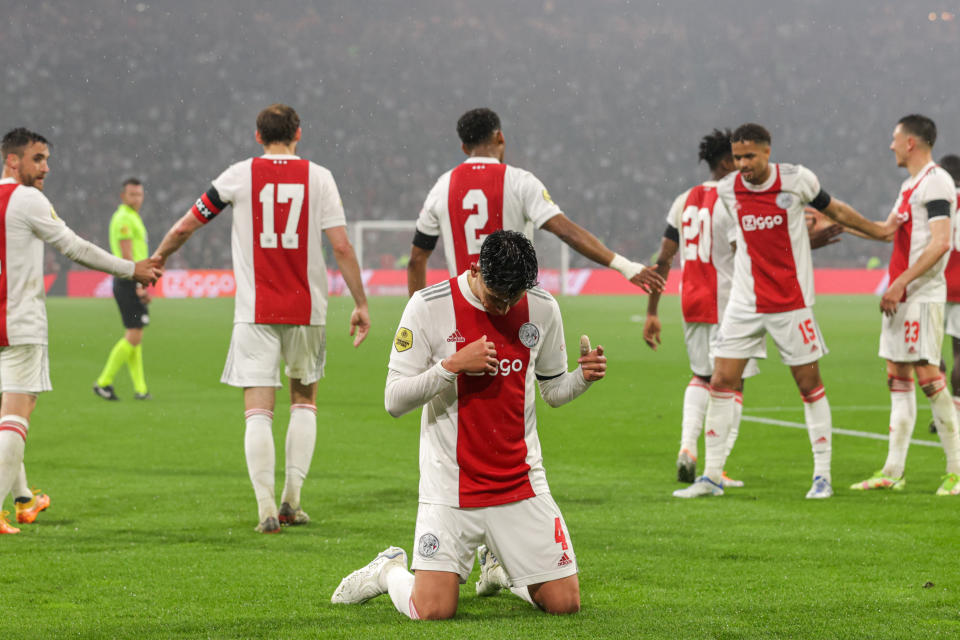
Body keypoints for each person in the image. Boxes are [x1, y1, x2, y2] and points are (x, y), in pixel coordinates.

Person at [331, 230, 605, 619]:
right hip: (450, 486)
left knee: (565, 604)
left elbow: (553, 391)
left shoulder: (542, 308)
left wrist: (581, 379)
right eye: (497, 298)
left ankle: (497, 567)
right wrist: (451, 366)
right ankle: (388, 569)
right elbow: (394, 401)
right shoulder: (428, 306)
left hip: (519, 483)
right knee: (432, 611)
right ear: (475, 269)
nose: (505, 308)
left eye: (515, 298)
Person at [151, 104, 371, 533]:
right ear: (298, 134)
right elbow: (342, 247)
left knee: (258, 411)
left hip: (255, 312)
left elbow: (184, 227)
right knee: (304, 401)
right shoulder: (318, 176)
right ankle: (293, 500)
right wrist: (360, 303)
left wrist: (158, 258)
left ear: (257, 136)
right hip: (307, 310)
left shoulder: (239, 174)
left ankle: (266, 508)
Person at [673, 123, 897, 500]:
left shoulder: (797, 180)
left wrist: (878, 232)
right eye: (737, 157)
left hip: (790, 303)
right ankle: (710, 476)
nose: (742, 164)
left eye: (749, 156)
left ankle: (822, 476)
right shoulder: (727, 191)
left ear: (767, 151)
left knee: (809, 387)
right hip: (743, 304)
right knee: (721, 382)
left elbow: (835, 209)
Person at [646, 131, 844, 486]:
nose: (742, 166)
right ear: (728, 162)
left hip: (690, 298)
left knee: (703, 376)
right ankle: (715, 469)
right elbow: (752, 252)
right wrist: (805, 241)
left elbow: (663, 257)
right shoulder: (733, 199)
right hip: (733, 299)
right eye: (738, 159)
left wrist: (652, 310)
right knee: (731, 383)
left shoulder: (684, 199)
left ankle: (689, 447)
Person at [0, 127, 159, 534]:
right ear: (13, 160)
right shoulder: (27, 199)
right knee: (18, 415)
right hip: (19, 323)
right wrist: (132, 269)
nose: (46, 167)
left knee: (7, 418)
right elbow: (73, 246)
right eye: (38, 159)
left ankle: (23, 500)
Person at [406, 107, 664, 296]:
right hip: (514, 302)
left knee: (462, 370)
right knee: (524, 371)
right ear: (500, 138)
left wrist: (415, 316)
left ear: (464, 148)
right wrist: (625, 266)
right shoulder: (520, 181)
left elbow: (417, 259)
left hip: (465, 303)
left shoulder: (442, 187)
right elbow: (565, 230)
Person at [851, 116, 960, 496]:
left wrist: (900, 282)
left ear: (911, 142)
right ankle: (893, 471)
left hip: (921, 295)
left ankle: (956, 471)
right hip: (903, 297)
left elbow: (941, 242)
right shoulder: (909, 186)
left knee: (929, 377)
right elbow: (885, 230)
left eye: (895, 138)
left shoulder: (936, 182)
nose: (890, 145)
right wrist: (834, 221)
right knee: (898, 376)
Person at [94, 177, 152, 400]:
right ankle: (103, 382)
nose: (137, 198)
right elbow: (128, 255)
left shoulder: (132, 217)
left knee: (135, 334)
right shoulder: (123, 219)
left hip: (130, 279)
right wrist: (139, 285)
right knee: (134, 334)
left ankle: (141, 389)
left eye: (139, 194)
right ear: (123, 196)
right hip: (128, 280)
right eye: (132, 194)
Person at [937, 155, 960, 428]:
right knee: (959, 352)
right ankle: (956, 412)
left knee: (931, 352)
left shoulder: (938, 201)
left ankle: (941, 414)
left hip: (936, 283)